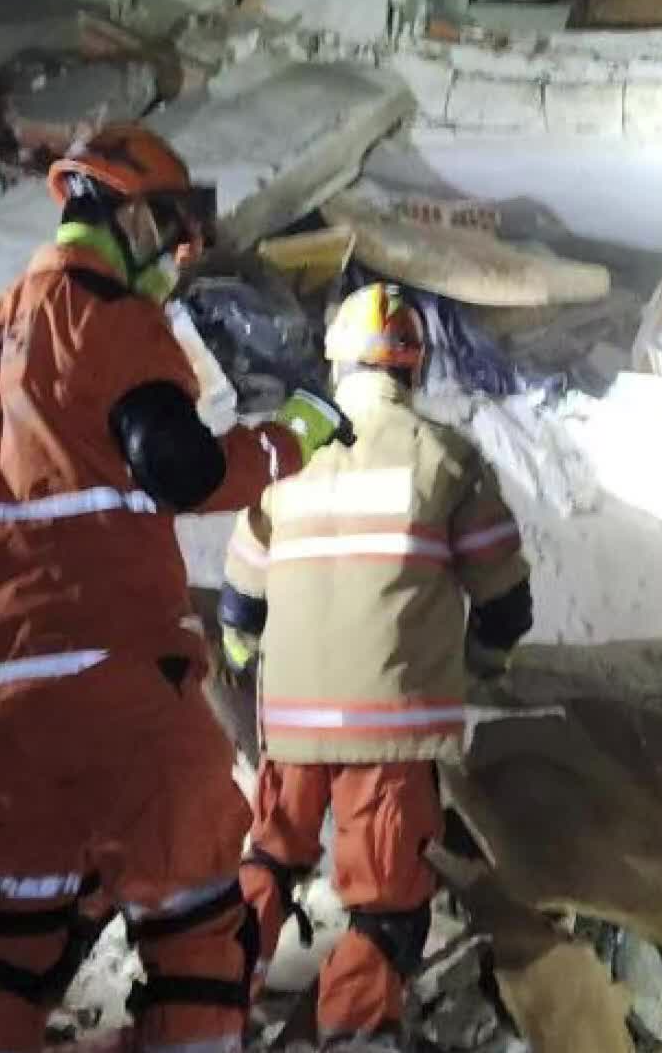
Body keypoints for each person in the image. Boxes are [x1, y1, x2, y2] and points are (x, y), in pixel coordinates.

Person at [0, 123, 345, 1053]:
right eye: (174, 230)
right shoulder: (110, 320)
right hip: (114, 694)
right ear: (133, 213)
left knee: (13, 952)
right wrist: (294, 437)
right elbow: (184, 470)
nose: (179, 256)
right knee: (203, 939)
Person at [220, 283, 534, 1049]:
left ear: (336, 361)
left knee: (269, 857)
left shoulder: (288, 455)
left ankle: (200, 1006)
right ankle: (354, 1035)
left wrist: (245, 662)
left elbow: (238, 606)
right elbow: (506, 604)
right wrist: (479, 666)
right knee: (384, 905)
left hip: (292, 726)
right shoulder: (446, 460)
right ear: (414, 366)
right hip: (391, 732)